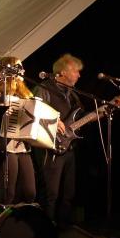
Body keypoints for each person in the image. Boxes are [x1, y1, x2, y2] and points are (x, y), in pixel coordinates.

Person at [32, 53, 84, 228]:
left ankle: (64, 229)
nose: (79, 75)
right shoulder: (44, 88)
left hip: (68, 147)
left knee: (68, 193)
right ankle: (45, 229)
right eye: (76, 71)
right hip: (50, 147)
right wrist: (55, 120)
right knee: (50, 194)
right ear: (63, 72)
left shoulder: (72, 94)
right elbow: (33, 110)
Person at [0, 57, 37, 205]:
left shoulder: (25, 94)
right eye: (19, 67)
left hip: (21, 145)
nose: (23, 71)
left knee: (29, 192)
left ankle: (19, 218)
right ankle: (2, 219)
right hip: (2, 144)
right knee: (8, 193)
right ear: (8, 70)